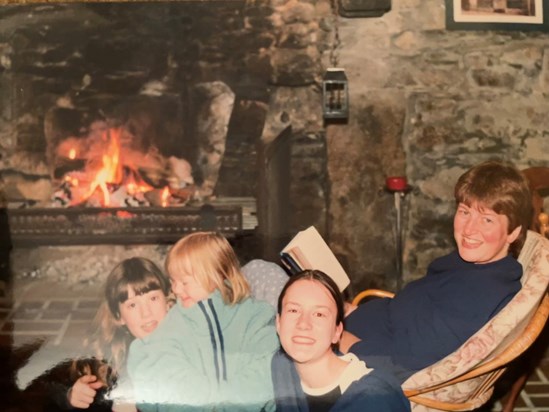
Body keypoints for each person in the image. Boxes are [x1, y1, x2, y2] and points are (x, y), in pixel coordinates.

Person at [341, 160, 533, 383]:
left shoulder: (482, 295)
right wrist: (352, 313)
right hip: (364, 328)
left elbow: (405, 364)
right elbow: (416, 315)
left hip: (361, 368)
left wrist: (341, 340)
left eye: (487, 219)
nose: (469, 229)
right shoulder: (478, 264)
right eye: (464, 212)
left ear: (513, 232)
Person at [126, 231, 280, 412]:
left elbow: (266, 369)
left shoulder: (254, 315)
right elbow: (165, 369)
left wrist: (227, 404)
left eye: (184, 282)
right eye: (172, 281)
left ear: (216, 276)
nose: (175, 289)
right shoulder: (174, 323)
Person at [272, 269, 411, 412]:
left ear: (337, 332)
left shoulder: (375, 399)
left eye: (319, 314)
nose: (303, 324)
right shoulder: (282, 368)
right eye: (293, 310)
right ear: (278, 323)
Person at [53, 257, 172, 411]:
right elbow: (53, 393)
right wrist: (71, 398)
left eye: (153, 298)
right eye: (133, 305)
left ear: (168, 301)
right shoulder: (110, 360)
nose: (146, 313)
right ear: (119, 316)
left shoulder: (191, 344)